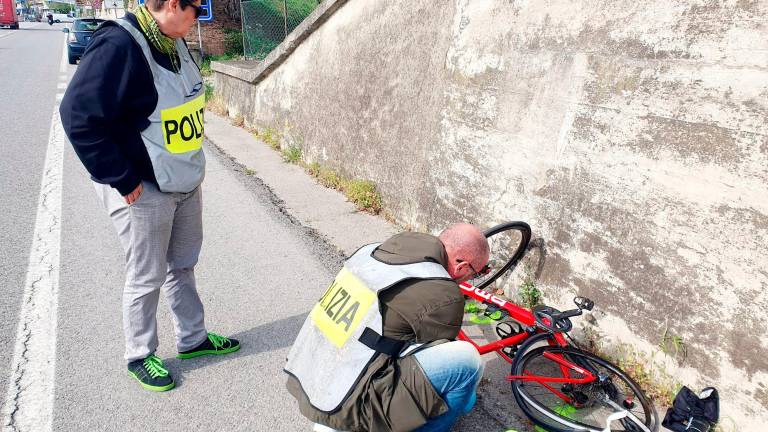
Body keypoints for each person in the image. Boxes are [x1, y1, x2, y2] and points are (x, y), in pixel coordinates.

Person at [60, 0, 239, 392]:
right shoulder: (119, 46)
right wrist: (122, 179)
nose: (199, 19)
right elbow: (77, 115)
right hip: (144, 187)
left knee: (183, 264)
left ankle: (193, 338)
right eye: (197, 9)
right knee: (147, 275)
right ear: (174, 4)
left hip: (185, 181)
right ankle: (140, 354)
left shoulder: (173, 41)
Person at [285, 224, 491, 431]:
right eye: (475, 273)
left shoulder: (378, 249)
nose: (471, 279)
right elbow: (440, 347)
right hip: (350, 405)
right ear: (461, 266)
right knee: (467, 364)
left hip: (311, 379)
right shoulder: (443, 292)